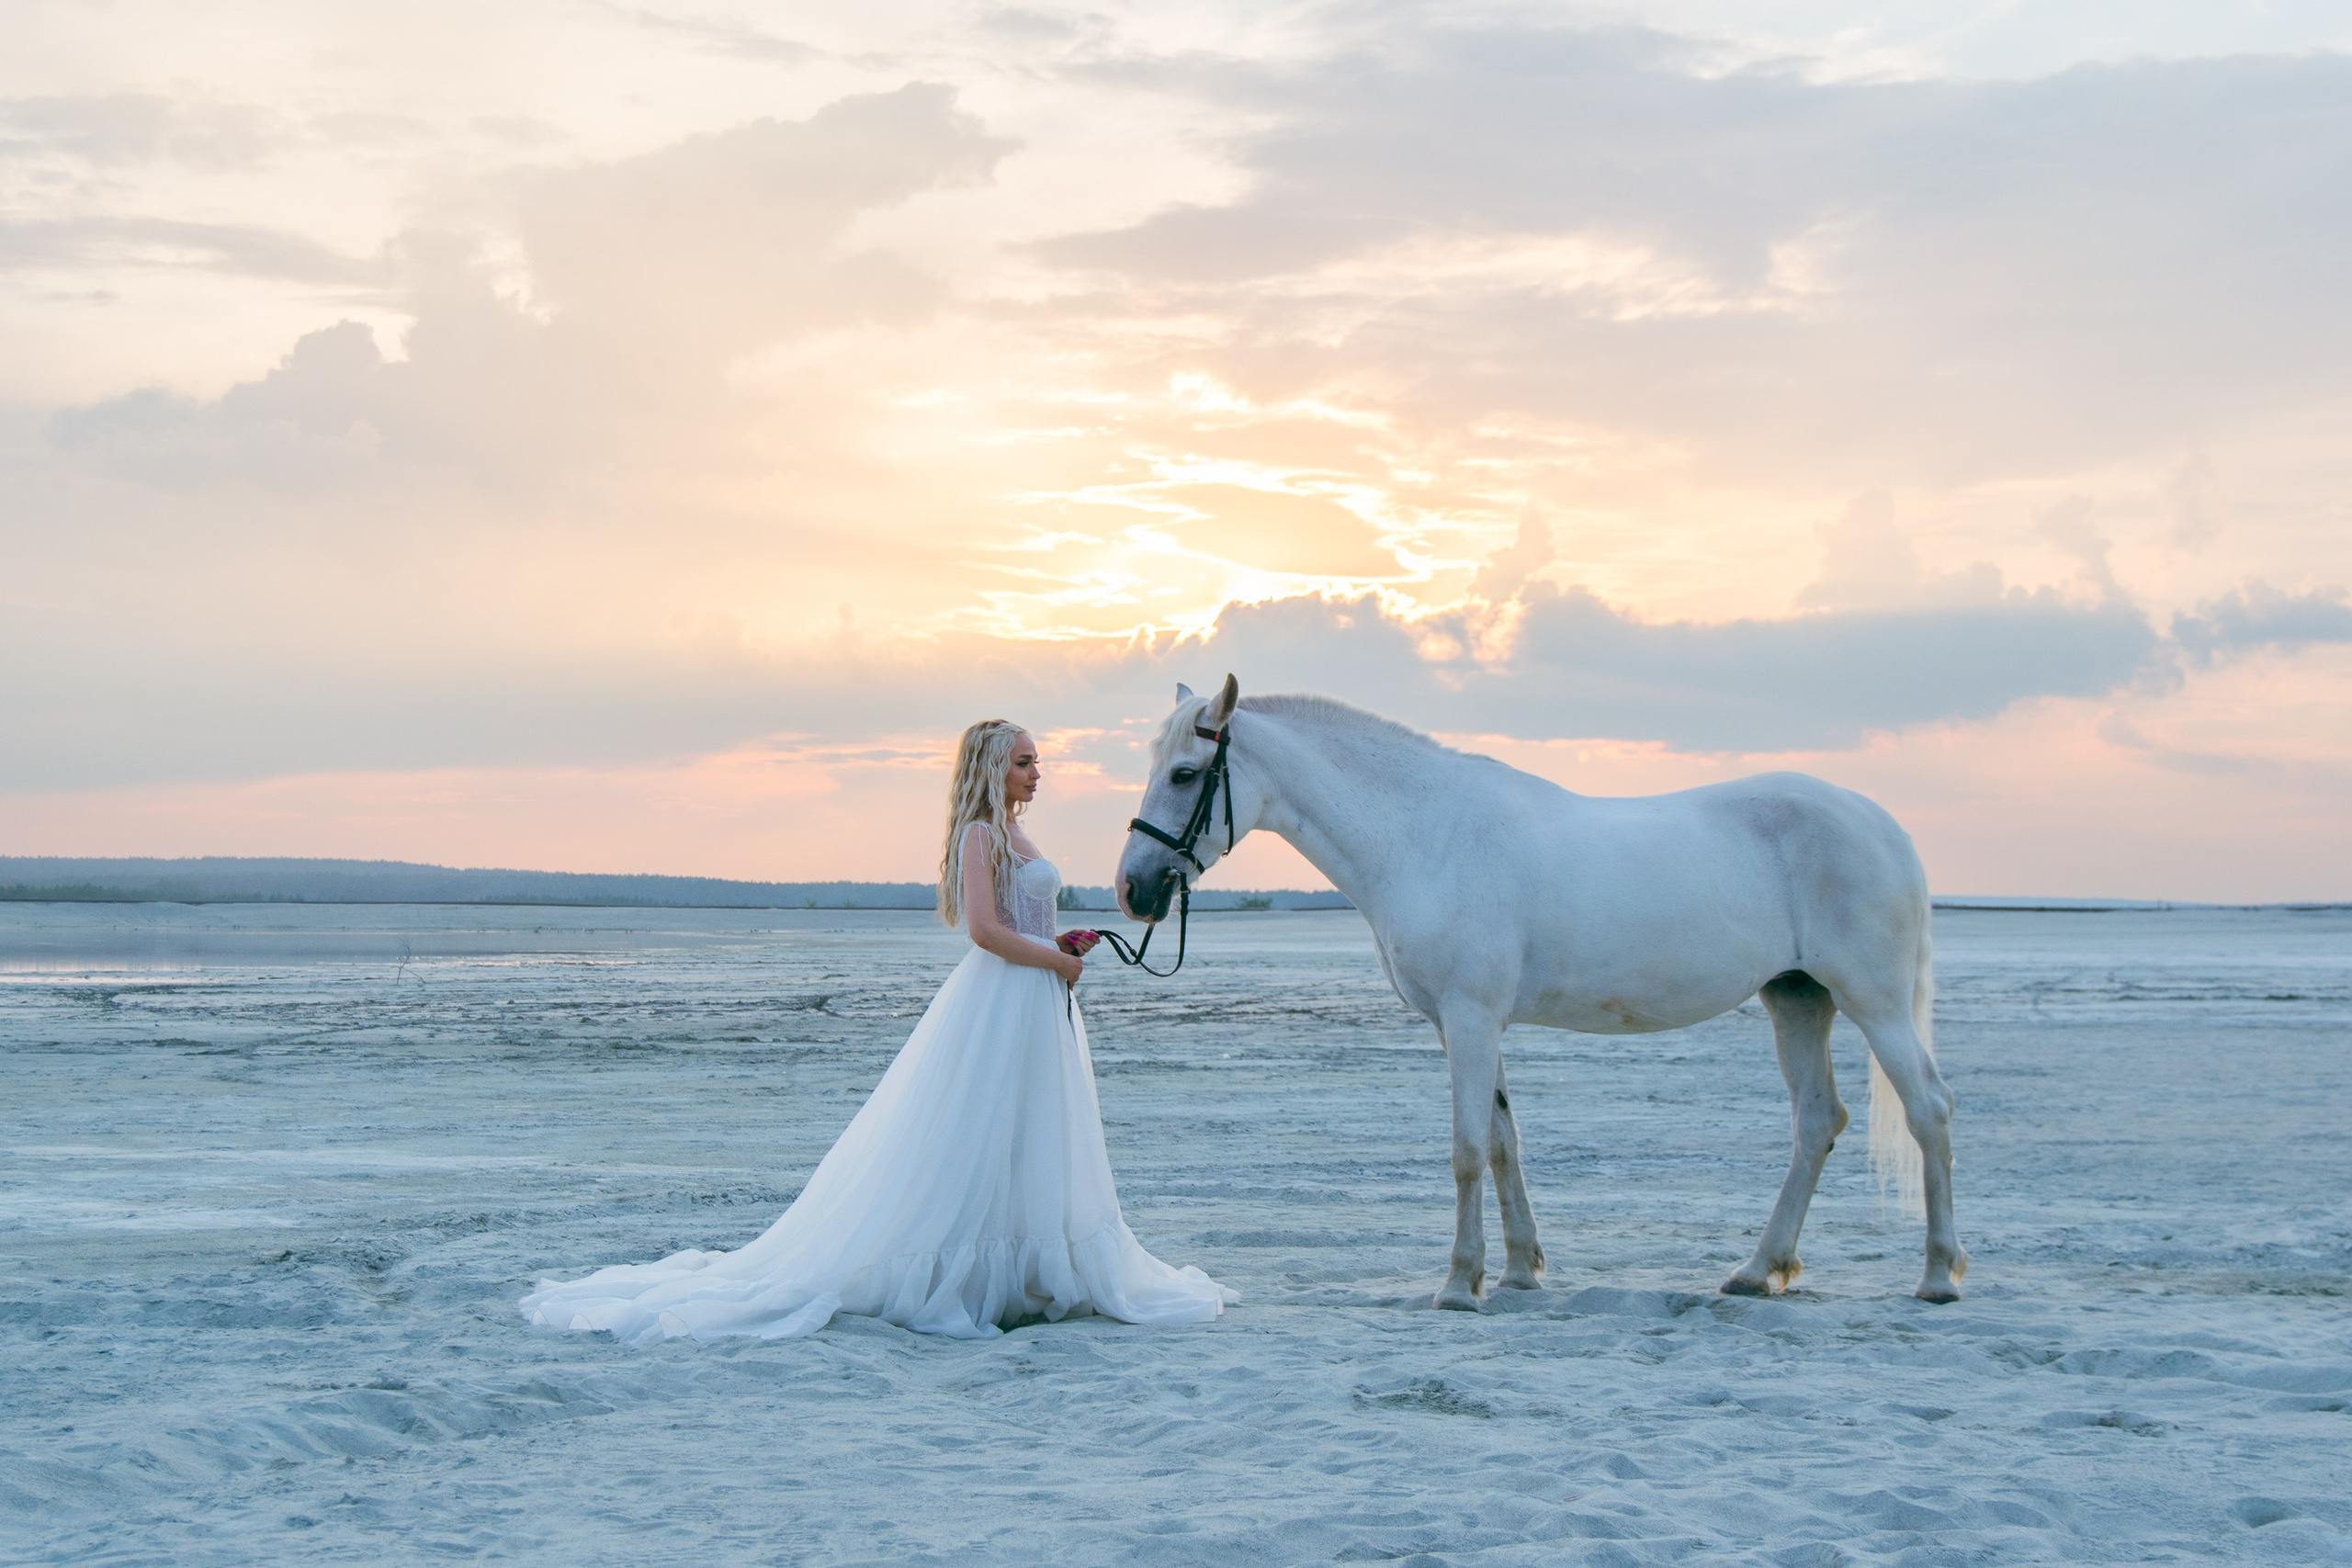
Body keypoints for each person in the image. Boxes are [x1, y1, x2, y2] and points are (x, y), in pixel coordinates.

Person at [519, 719, 1237, 1343]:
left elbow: (1020, 920)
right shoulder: (982, 831)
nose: (1037, 772)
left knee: (1032, 1133)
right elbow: (984, 932)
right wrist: (1052, 958)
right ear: (993, 768)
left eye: (1036, 760)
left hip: (1039, 995)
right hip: (1004, 997)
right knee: (976, 1132)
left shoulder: (1017, 830)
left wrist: (1061, 945)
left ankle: (1027, 1265)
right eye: (1024, 761)